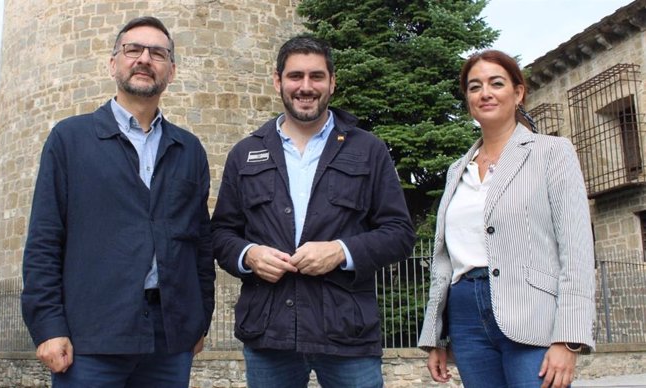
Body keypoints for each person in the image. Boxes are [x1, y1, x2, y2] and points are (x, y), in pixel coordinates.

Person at [210, 35, 415, 388]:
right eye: (295, 76)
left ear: (332, 82)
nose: (306, 87)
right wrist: (249, 254)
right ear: (278, 81)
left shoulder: (368, 150)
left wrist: (341, 251)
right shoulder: (245, 154)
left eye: (316, 76)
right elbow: (221, 234)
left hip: (348, 333)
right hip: (268, 333)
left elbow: (399, 233)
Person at [21, 16, 215, 387]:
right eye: (133, 49)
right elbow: (45, 239)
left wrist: (199, 319)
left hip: (169, 338)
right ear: (114, 63)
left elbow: (200, 246)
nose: (144, 59)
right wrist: (48, 326)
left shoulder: (189, 149)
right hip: (91, 337)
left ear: (171, 71)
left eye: (158, 53)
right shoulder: (70, 139)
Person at [417, 49, 596, 388]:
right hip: (466, 316)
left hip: (533, 316)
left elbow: (576, 252)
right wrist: (436, 337)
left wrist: (568, 338)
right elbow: (444, 261)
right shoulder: (458, 170)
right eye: (474, 87)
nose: (485, 93)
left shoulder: (552, 153)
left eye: (496, 83)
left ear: (518, 92)